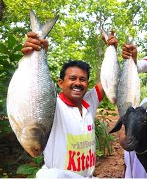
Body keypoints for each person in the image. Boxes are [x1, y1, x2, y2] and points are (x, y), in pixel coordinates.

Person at [21, 31, 118, 178]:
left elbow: (108, 80)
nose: (78, 83)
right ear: (61, 83)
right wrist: (37, 51)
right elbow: (33, 89)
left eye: (82, 79)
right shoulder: (53, 105)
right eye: (72, 78)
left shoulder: (89, 101)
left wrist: (112, 49)